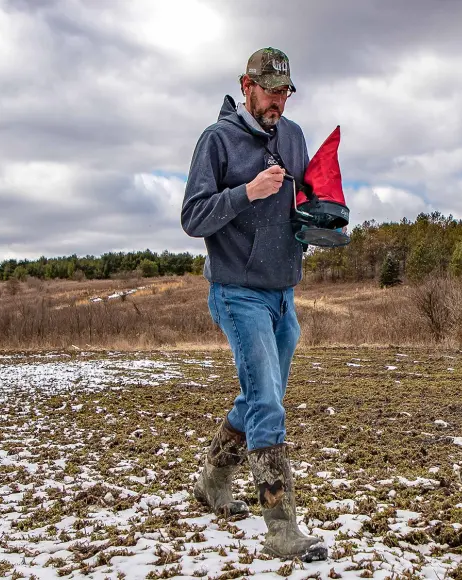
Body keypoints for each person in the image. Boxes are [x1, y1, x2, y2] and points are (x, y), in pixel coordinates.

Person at [180, 47, 326, 563]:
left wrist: (323, 219)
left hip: (283, 292)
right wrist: (246, 192)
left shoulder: (294, 136)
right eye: (269, 91)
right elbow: (193, 217)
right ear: (246, 85)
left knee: (258, 398)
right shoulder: (217, 140)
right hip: (236, 291)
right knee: (268, 403)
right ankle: (282, 528)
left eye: (285, 91)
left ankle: (212, 483)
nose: (277, 102)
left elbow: (305, 198)